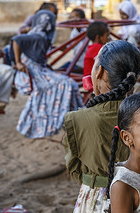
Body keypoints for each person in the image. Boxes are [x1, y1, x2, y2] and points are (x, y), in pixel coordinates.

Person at [62, 40, 140, 213]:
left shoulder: (76, 120)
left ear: (98, 72)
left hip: (97, 207)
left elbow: (76, 171)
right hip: (138, 202)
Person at [10, 10, 84, 139]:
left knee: (68, 82)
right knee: (66, 83)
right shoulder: (39, 35)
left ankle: (76, 119)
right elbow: (16, 40)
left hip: (37, 71)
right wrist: (18, 62)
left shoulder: (41, 36)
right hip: (33, 73)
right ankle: (68, 120)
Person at [83, 21, 110, 91]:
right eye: (107, 36)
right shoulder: (97, 47)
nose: (108, 38)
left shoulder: (92, 47)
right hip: (94, 85)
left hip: (90, 83)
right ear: (98, 37)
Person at [59, 8, 87, 73]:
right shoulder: (74, 31)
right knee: (58, 70)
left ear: (82, 18)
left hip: (81, 63)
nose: (73, 19)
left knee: (63, 73)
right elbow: (69, 46)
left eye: (76, 17)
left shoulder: (85, 30)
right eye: (71, 17)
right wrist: (56, 48)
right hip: (74, 61)